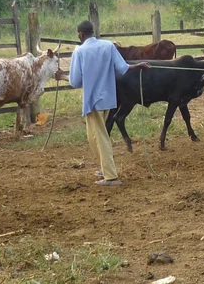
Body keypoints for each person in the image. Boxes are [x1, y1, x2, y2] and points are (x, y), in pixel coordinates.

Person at [55, 20, 150, 186]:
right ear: (93, 32)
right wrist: (138, 66)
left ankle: (111, 176)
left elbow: (76, 81)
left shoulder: (79, 51)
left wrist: (63, 77)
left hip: (93, 100)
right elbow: (122, 68)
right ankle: (105, 168)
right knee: (93, 136)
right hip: (108, 98)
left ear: (80, 35)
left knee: (100, 137)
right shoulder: (108, 46)